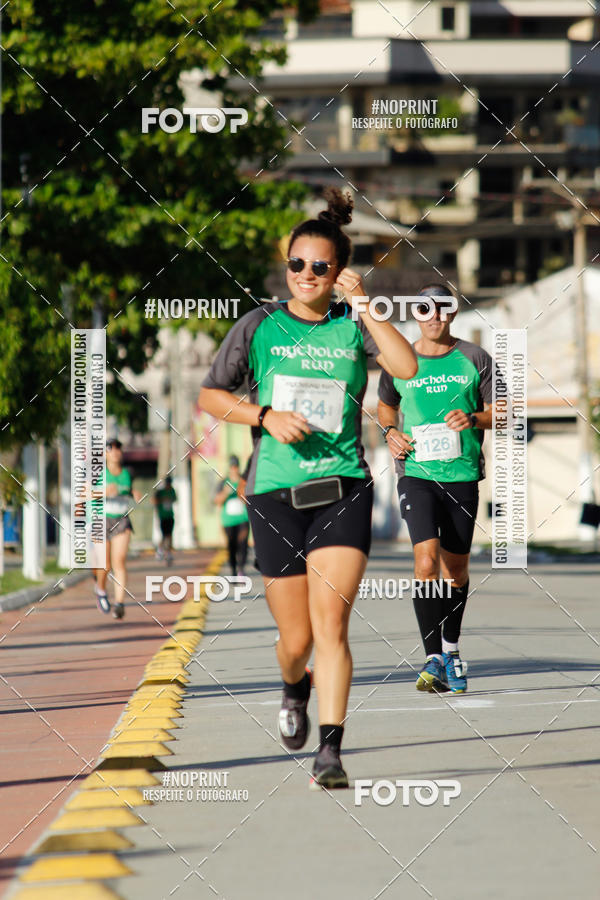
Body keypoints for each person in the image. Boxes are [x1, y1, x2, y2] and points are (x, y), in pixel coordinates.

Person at [199, 188, 417, 788]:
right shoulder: (259, 325)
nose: (306, 274)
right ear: (286, 265)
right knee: (295, 641)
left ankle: (330, 752)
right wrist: (264, 416)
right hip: (273, 494)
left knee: (331, 627)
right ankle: (293, 685)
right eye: (297, 263)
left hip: (342, 488)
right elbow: (211, 395)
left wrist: (365, 305)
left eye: (320, 266)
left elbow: (405, 368)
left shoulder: (352, 326)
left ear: (338, 271)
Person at [377, 283, 497, 693]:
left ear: (453, 312)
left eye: (442, 308)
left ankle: (451, 649)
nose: (434, 316)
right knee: (426, 561)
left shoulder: (475, 357)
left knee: (455, 570)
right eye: (424, 309)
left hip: (461, 475)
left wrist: (473, 419)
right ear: (415, 314)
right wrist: (390, 431)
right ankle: (432, 659)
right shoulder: (399, 358)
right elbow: (386, 405)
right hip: (416, 473)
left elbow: (502, 412)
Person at [93, 438, 141, 619]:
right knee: (105, 564)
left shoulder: (128, 473)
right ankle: (100, 589)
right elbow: (82, 493)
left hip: (121, 519)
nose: (115, 452)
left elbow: (128, 489)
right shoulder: (97, 472)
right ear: (104, 453)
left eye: (118, 448)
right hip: (101, 519)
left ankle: (119, 603)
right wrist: (103, 492)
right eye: (110, 448)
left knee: (119, 561)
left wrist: (134, 493)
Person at [215, 455, 249, 576]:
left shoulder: (244, 481)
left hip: (243, 519)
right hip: (228, 521)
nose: (234, 469)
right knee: (231, 546)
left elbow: (249, 499)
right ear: (229, 468)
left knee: (243, 544)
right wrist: (225, 492)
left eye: (236, 466)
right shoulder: (223, 482)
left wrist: (241, 495)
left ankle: (241, 569)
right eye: (232, 467)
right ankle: (233, 570)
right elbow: (217, 501)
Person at [154, 475, 177, 564]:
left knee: (170, 535)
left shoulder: (172, 490)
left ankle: (169, 553)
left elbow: (175, 499)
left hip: (170, 516)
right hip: (163, 516)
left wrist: (169, 499)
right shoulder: (161, 492)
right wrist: (162, 499)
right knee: (164, 535)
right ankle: (160, 551)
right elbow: (155, 501)